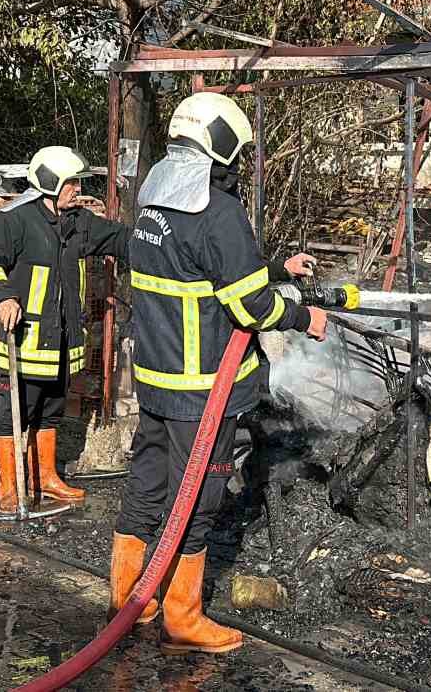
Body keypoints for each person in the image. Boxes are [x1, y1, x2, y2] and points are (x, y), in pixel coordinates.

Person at [111, 92, 327, 653]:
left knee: (148, 480)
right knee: (198, 498)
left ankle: (128, 596)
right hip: (205, 386)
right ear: (223, 145)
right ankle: (182, 617)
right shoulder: (219, 209)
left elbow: (196, 265)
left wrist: (278, 265)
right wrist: (304, 316)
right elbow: (251, 305)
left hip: (156, 376)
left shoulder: (156, 194)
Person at [0, 146, 129, 512]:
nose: (77, 188)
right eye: (71, 182)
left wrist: (159, 241)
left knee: (51, 411)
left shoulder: (79, 223)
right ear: (50, 182)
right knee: (14, 414)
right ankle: (10, 487)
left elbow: (119, 239)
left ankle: (46, 479)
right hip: (25, 343)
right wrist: (3, 297)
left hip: (62, 344)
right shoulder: (14, 221)